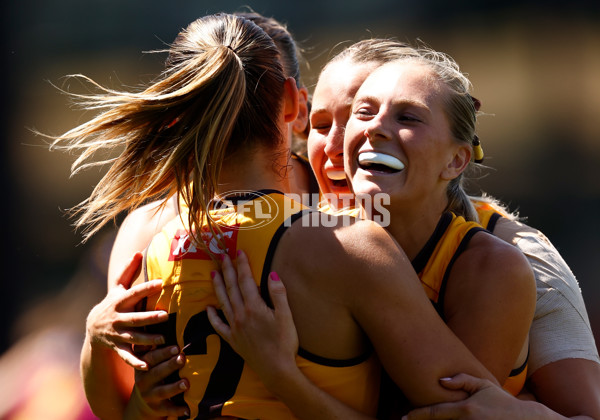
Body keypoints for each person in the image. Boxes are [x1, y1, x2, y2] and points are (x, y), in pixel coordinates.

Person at [49, 13, 507, 420]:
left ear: (176, 116)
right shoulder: (351, 245)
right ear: (293, 104)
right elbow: (471, 404)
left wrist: (94, 337)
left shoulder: (147, 238)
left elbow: (118, 408)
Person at [210, 39, 600, 418]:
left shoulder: (510, 256)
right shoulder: (301, 229)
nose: (336, 143)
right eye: (322, 123)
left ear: (456, 157)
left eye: (405, 116)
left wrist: (521, 414)